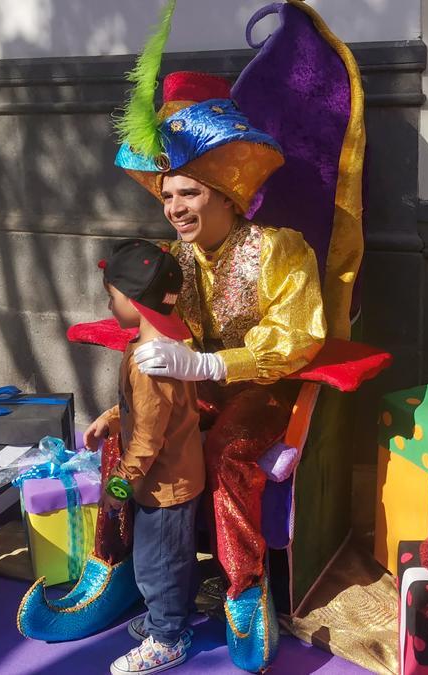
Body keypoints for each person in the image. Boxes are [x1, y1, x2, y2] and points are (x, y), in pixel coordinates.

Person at [113, 48, 325, 673]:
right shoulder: (165, 256)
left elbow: (297, 340)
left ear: (229, 195)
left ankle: (243, 591)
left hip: (262, 391)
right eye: (167, 195)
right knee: (119, 444)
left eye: (189, 193)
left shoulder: (280, 249)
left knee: (225, 451)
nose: (175, 207)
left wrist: (209, 368)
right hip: (188, 390)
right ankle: (121, 577)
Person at [84, 239, 204, 675]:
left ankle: (168, 638)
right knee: (174, 559)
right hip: (177, 476)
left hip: (162, 484)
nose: (109, 305)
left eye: (112, 296)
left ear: (134, 300)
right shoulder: (167, 344)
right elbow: (151, 412)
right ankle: (167, 620)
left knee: (158, 566)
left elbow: (148, 442)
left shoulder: (149, 363)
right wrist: (112, 418)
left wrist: (117, 488)